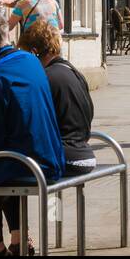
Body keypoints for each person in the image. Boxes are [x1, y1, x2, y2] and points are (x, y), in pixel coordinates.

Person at [0, 12, 66, 256]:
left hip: (28, 165)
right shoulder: (31, 61)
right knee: (5, 158)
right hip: (51, 158)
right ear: (8, 35)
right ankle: (19, 238)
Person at [18, 19, 96, 177]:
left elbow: (32, 122)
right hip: (85, 153)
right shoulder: (74, 72)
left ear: (34, 52)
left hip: (62, 157)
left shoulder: (44, 78)